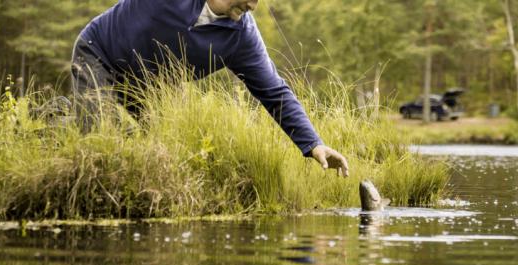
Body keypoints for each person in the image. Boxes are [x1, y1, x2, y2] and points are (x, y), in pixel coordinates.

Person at [71, 0, 349, 176]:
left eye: (252, 6)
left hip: (150, 85)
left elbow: (274, 92)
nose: (248, 10)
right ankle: (55, 115)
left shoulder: (241, 36)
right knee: (97, 142)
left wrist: (313, 144)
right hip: (101, 54)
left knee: (160, 156)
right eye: (244, 3)